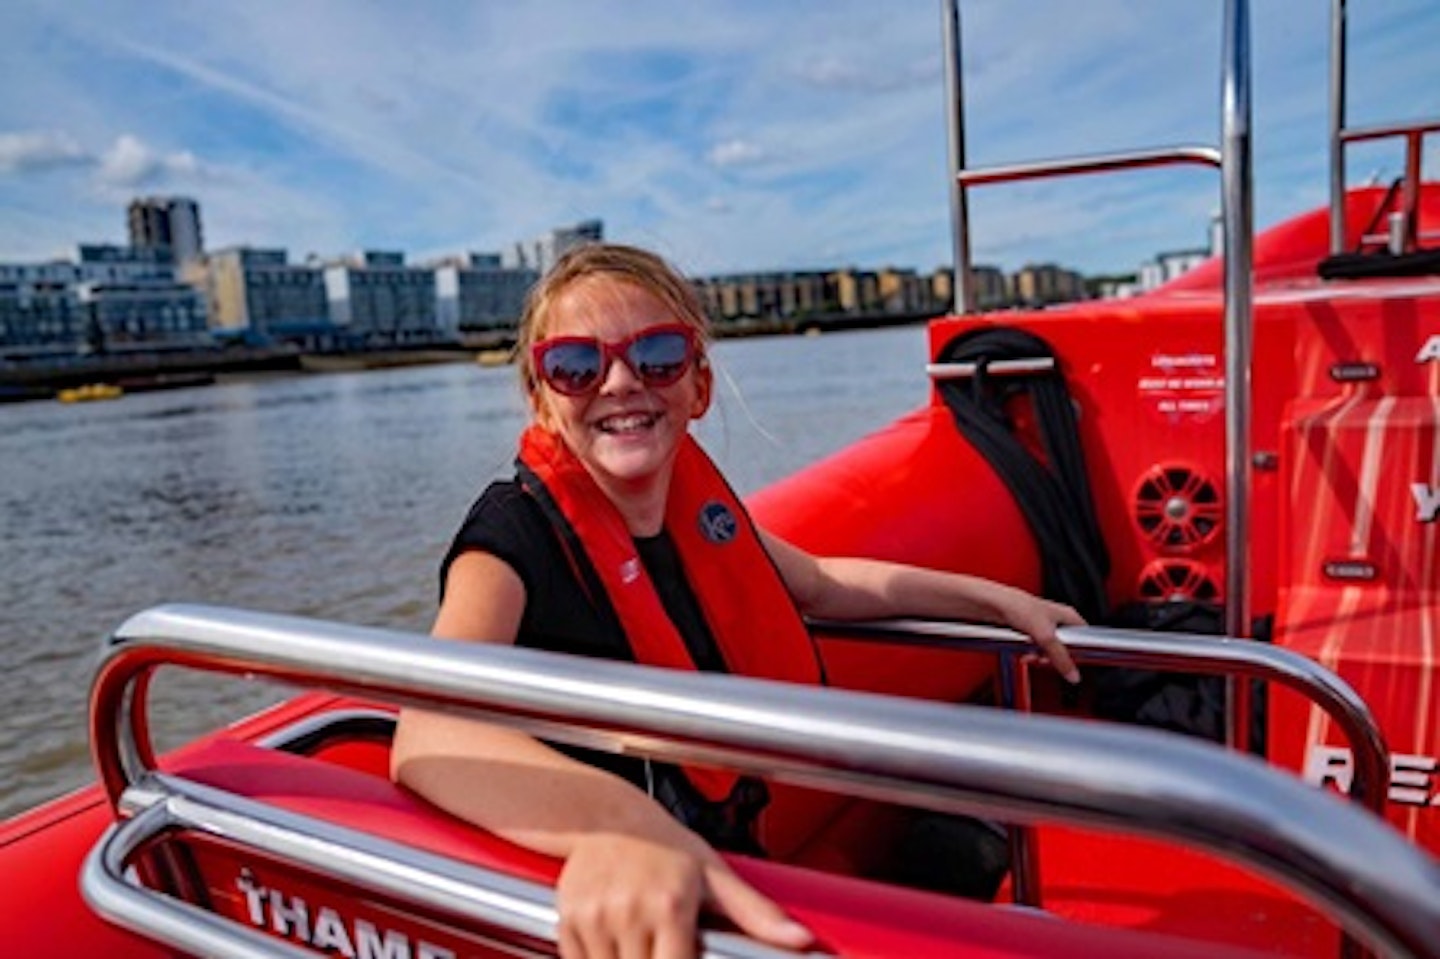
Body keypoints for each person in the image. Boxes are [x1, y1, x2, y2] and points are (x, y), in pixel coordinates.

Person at [391, 242, 1084, 959]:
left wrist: (1001, 602)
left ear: (699, 386)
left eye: (657, 354)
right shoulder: (508, 537)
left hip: (731, 868)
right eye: (576, 364)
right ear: (543, 397)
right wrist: (620, 825)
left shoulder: (696, 514)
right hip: (623, 911)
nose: (621, 381)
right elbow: (427, 729)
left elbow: (819, 582)